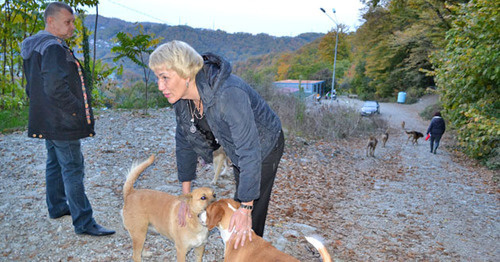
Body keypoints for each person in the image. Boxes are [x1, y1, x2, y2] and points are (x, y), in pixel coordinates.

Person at [149, 40, 284, 249]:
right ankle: (241, 245)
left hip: (264, 144)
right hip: (241, 148)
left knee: (249, 209)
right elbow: (184, 143)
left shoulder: (228, 94)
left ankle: (251, 249)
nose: (160, 86)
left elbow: (249, 151)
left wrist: (247, 208)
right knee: (241, 200)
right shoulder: (182, 100)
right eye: (158, 78)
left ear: (186, 74)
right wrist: (185, 199)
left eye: (165, 77)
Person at [21, 2, 114, 236]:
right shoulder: (52, 48)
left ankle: (57, 206)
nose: (72, 26)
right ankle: (84, 222)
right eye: (68, 22)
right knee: (73, 168)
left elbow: (31, 87)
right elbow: (55, 87)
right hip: (61, 121)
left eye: (72, 21)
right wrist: (78, 110)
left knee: (54, 163)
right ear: (50, 21)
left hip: (46, 118)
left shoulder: (35, 47)